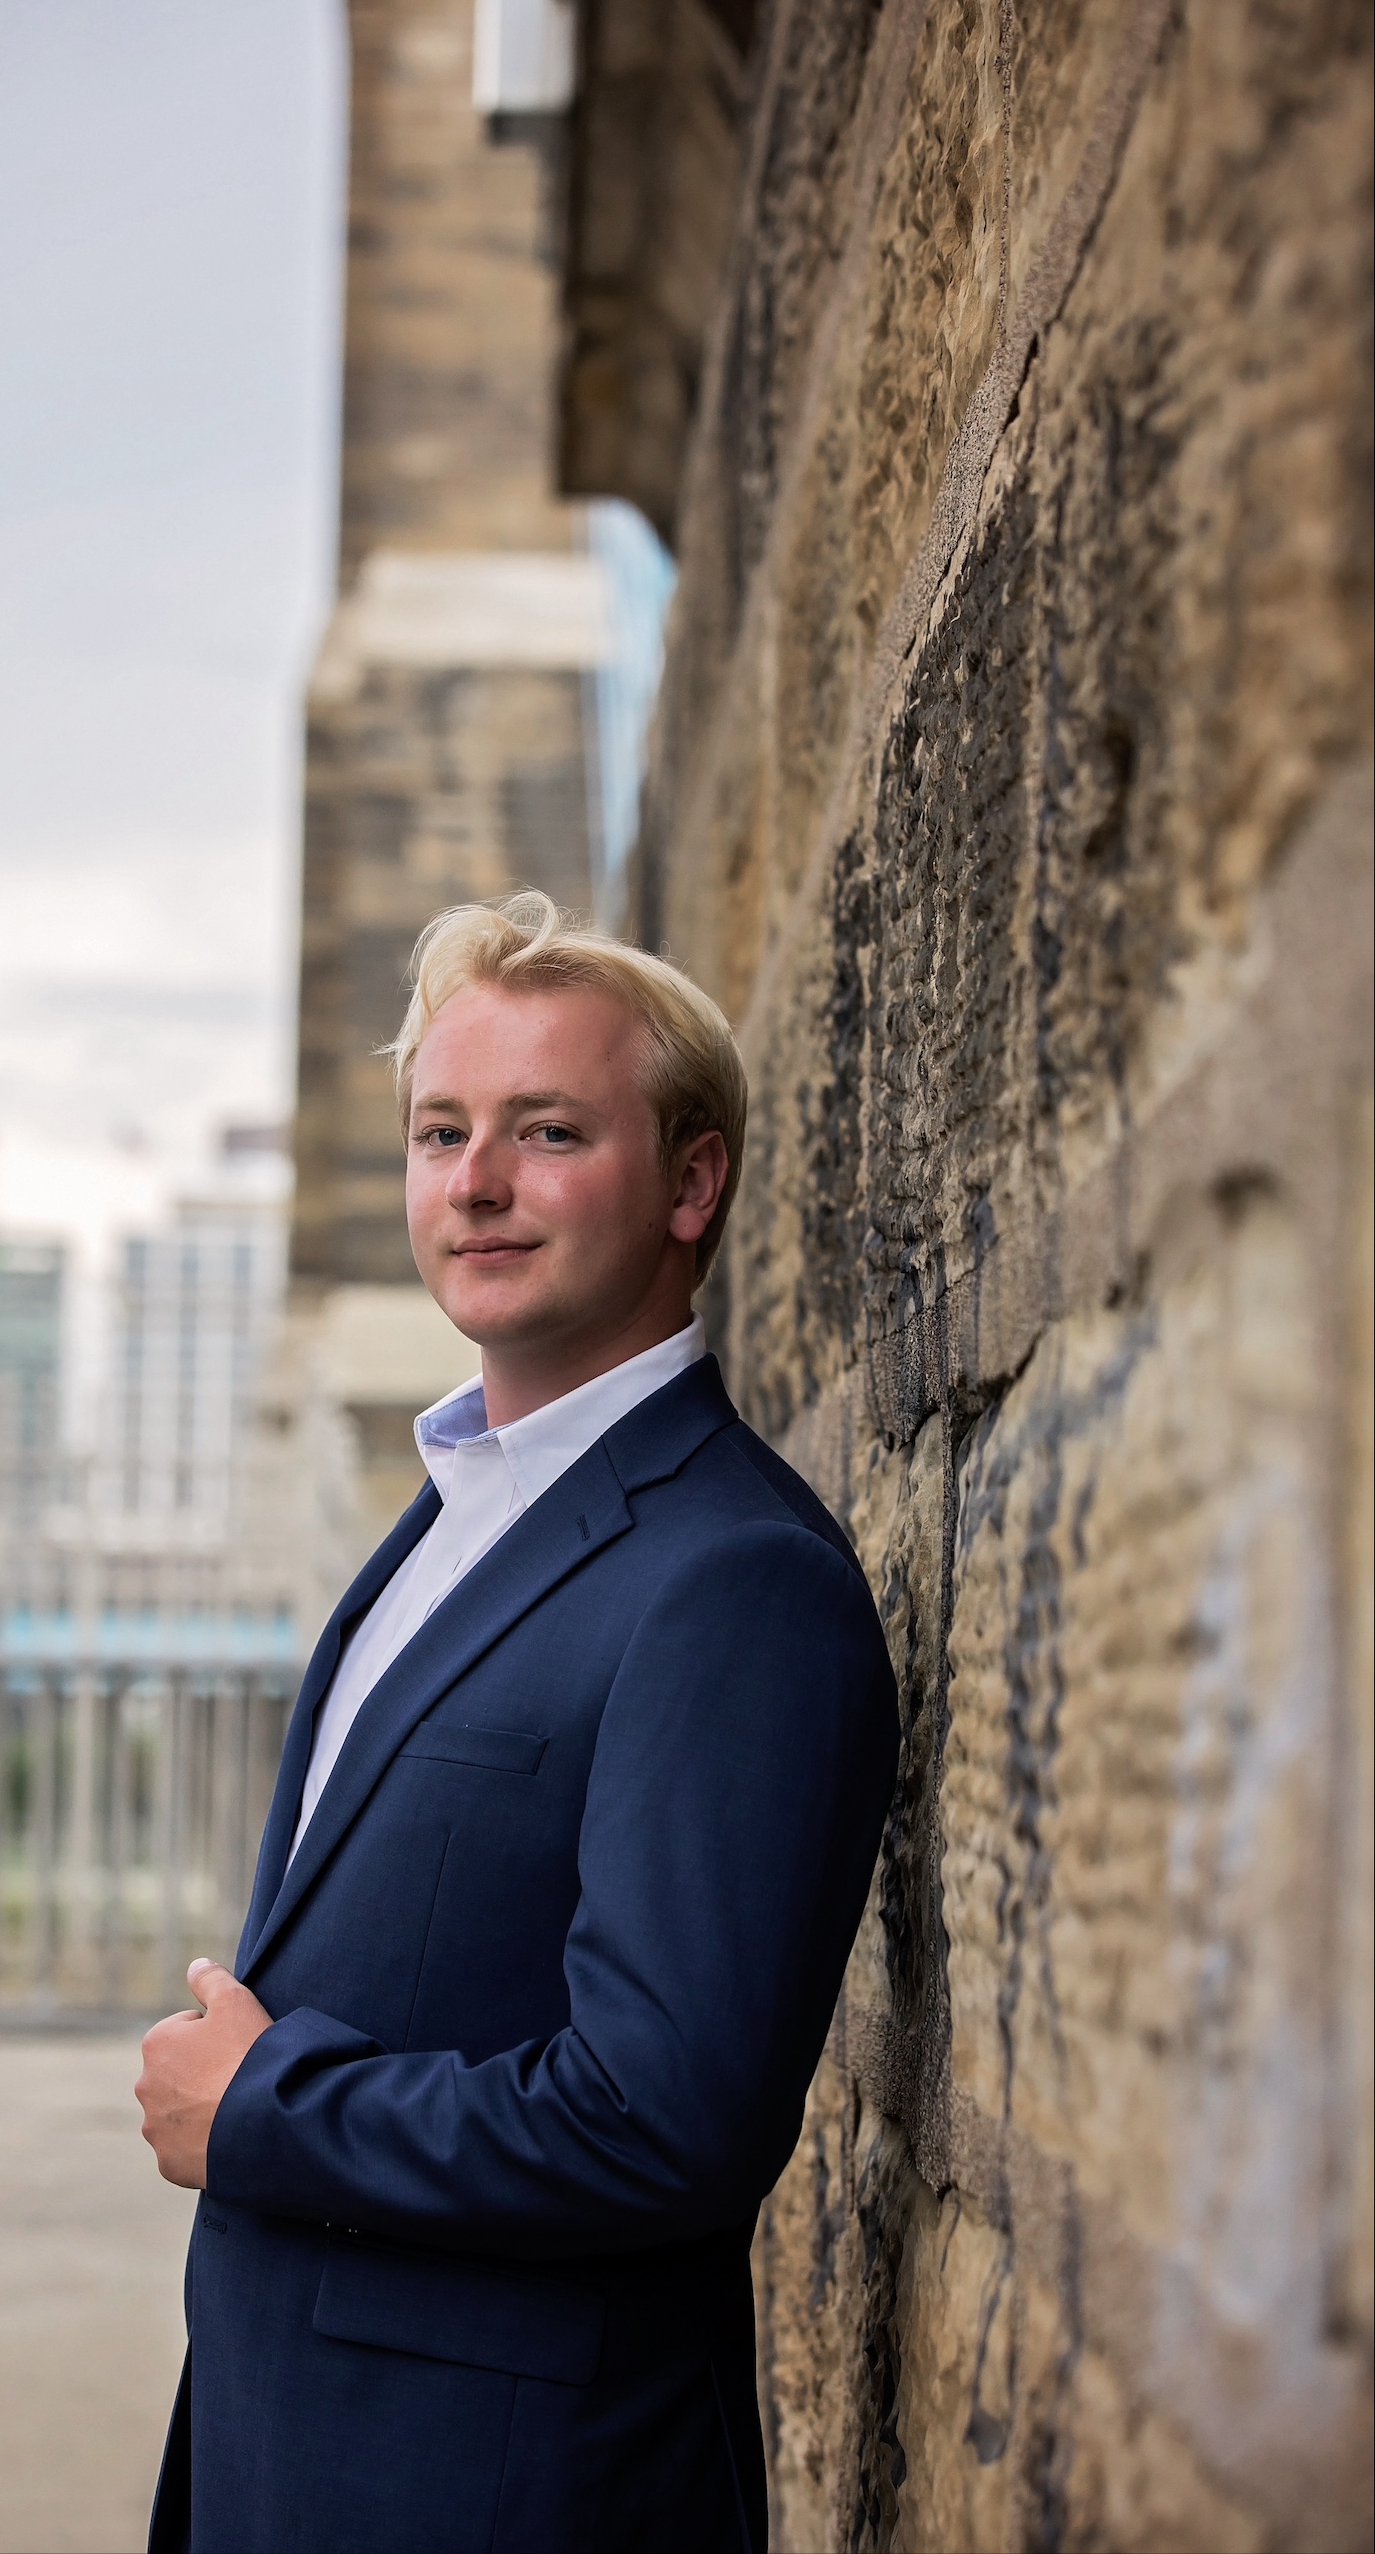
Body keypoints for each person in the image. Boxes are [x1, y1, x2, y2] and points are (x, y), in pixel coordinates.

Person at [137, 891, 899, 2554]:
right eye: (440, 1131)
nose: (474, 1182)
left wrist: (263, 2109)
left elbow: (660, 2118)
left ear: (693, 1182)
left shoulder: (735, 1581)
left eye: (546, 1131)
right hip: (297, 2457)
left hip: (499, 2495)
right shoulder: (455, 1512)